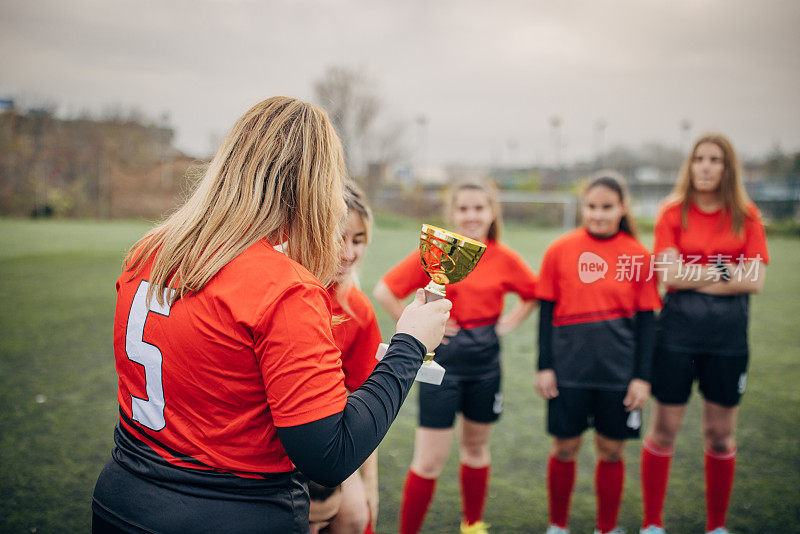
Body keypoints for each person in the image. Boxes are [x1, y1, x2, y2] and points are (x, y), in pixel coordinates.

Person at [91, 96, 452, 534]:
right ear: (313, 187)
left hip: (122, 497)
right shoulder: (283, 288)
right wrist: (410, 345)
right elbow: (329, 455)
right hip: (230, 513)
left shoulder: (149, 251)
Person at [374, 179, 538, 534]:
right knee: (429, 460)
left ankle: (473, 524)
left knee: (476, 449)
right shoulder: (440, 250)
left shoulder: (504, 256)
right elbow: (385, 289)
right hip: (442, 367)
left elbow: (532, 292)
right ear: (452, 213)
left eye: (479, 208)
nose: (471, 215)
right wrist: (416, 325)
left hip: (485, 367)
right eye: (463, 208)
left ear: (492, 212)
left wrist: (506, 324)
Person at [640, 134, 769, 534]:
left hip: (728, 341)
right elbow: (667, 275)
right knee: (664, 430)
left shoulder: (746, 215)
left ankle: (717, 527)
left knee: (719, 436)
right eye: (699, 159)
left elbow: (756, 279)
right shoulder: (671, 212)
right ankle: (652, 523)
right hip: (676, 337)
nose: (707, 166)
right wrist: (726, 271)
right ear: (690, 165)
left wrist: (692, 277)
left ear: (728, 167)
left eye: (716, 159)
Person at [534, 172, 661, 534]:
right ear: (582, 207)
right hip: (567, 370)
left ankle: (607, 527)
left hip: (618, 374)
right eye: (591, 206)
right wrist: (544, 366)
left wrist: (642, 377)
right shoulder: (559, 250)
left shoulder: (638, 255)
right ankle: (557, 525)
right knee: (564, 447)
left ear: (622, 208)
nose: (599, 214)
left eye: (607, 207)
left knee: (611, 450)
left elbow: (647, 323)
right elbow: (545, 313)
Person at [327, 182, 382, 534]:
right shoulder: (284, 295)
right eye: (338, 238)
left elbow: (365, 402)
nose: (348, 253)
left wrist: (369, 482)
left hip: (328, 444)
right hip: (269, 442)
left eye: (358, 240)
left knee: (354, 517)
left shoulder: (357, 309)